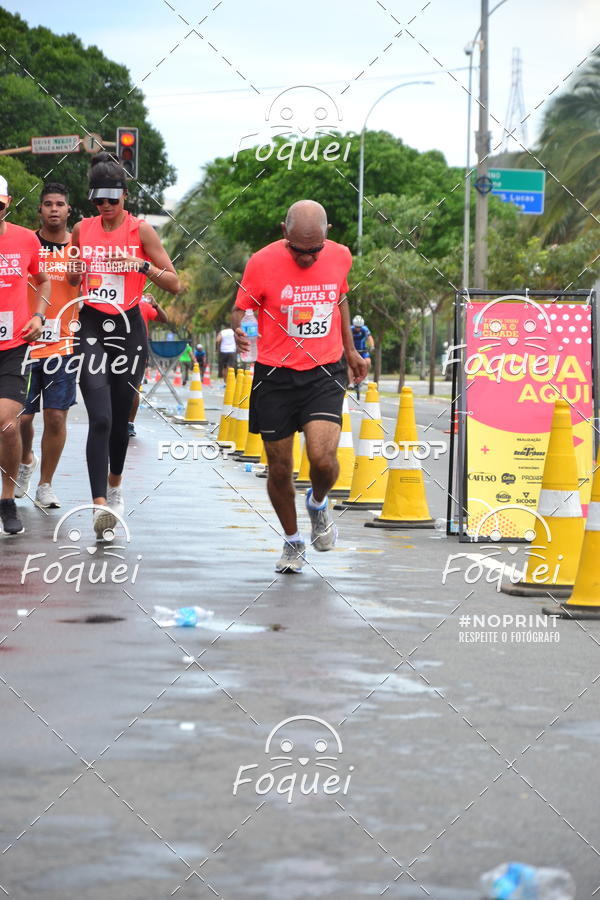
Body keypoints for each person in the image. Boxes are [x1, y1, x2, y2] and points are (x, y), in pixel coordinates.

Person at [232, 199, 367, 573]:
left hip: (325, 370)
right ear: (283, 233)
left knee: (324, 460)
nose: (307, 259)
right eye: (298, 251)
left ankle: (318, 503)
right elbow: (239, 307)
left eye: (314, 251)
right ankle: (293, 541)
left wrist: (352, 350)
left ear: (328, 236)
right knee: (280, 468)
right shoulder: (260, 261)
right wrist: (238, 328)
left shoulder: (340, 256)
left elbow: (339, 298)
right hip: (274, 375)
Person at [67, 153, 180, 538]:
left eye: (112, 200)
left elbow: (174, 282)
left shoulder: (142, 231)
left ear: (125, 197)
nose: (106, 207)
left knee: (118, 418)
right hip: (92, 325)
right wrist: (73, 271)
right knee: (98, 417)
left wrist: (139, 264)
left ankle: (115, 485)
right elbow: (69, 276)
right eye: (99, 200)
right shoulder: (82, 229)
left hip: (129, 326)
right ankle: (98, 505)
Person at [15, 183, 80, 509]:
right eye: (48, 204)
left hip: (63, 345)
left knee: (55, 417)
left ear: (69, 210)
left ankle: (45, 485)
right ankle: (26, 460)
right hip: (22, 342)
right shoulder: (24, 243)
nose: (54, 209)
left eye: (60, 204)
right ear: (39, 209)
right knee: (21, 419)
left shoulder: (78, 249)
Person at [0, 174, 51, 534]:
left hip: (13, 344)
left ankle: (6, 498)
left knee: (7, 424)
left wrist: (38, 315)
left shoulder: (25, 239)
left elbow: (44, 279)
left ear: (8, 202)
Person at [129, 293, 168, 437]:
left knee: (134, 388)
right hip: (117, 348)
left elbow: (164, 319)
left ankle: (129, 424)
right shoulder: (115, 301)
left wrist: (155, 304)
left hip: (136, 350)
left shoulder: (142, 305)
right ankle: (121, 422)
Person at [349, 314, 374, 399]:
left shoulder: (365, 329)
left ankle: (365, 377)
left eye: (359, 327)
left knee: (368, 362)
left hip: (363, 350)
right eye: (356, 327)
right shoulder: (350, 329)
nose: (358, 328)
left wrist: (372, 346)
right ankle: (351, 383)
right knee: (350, 365)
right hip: (353, 351)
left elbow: (370, 338)